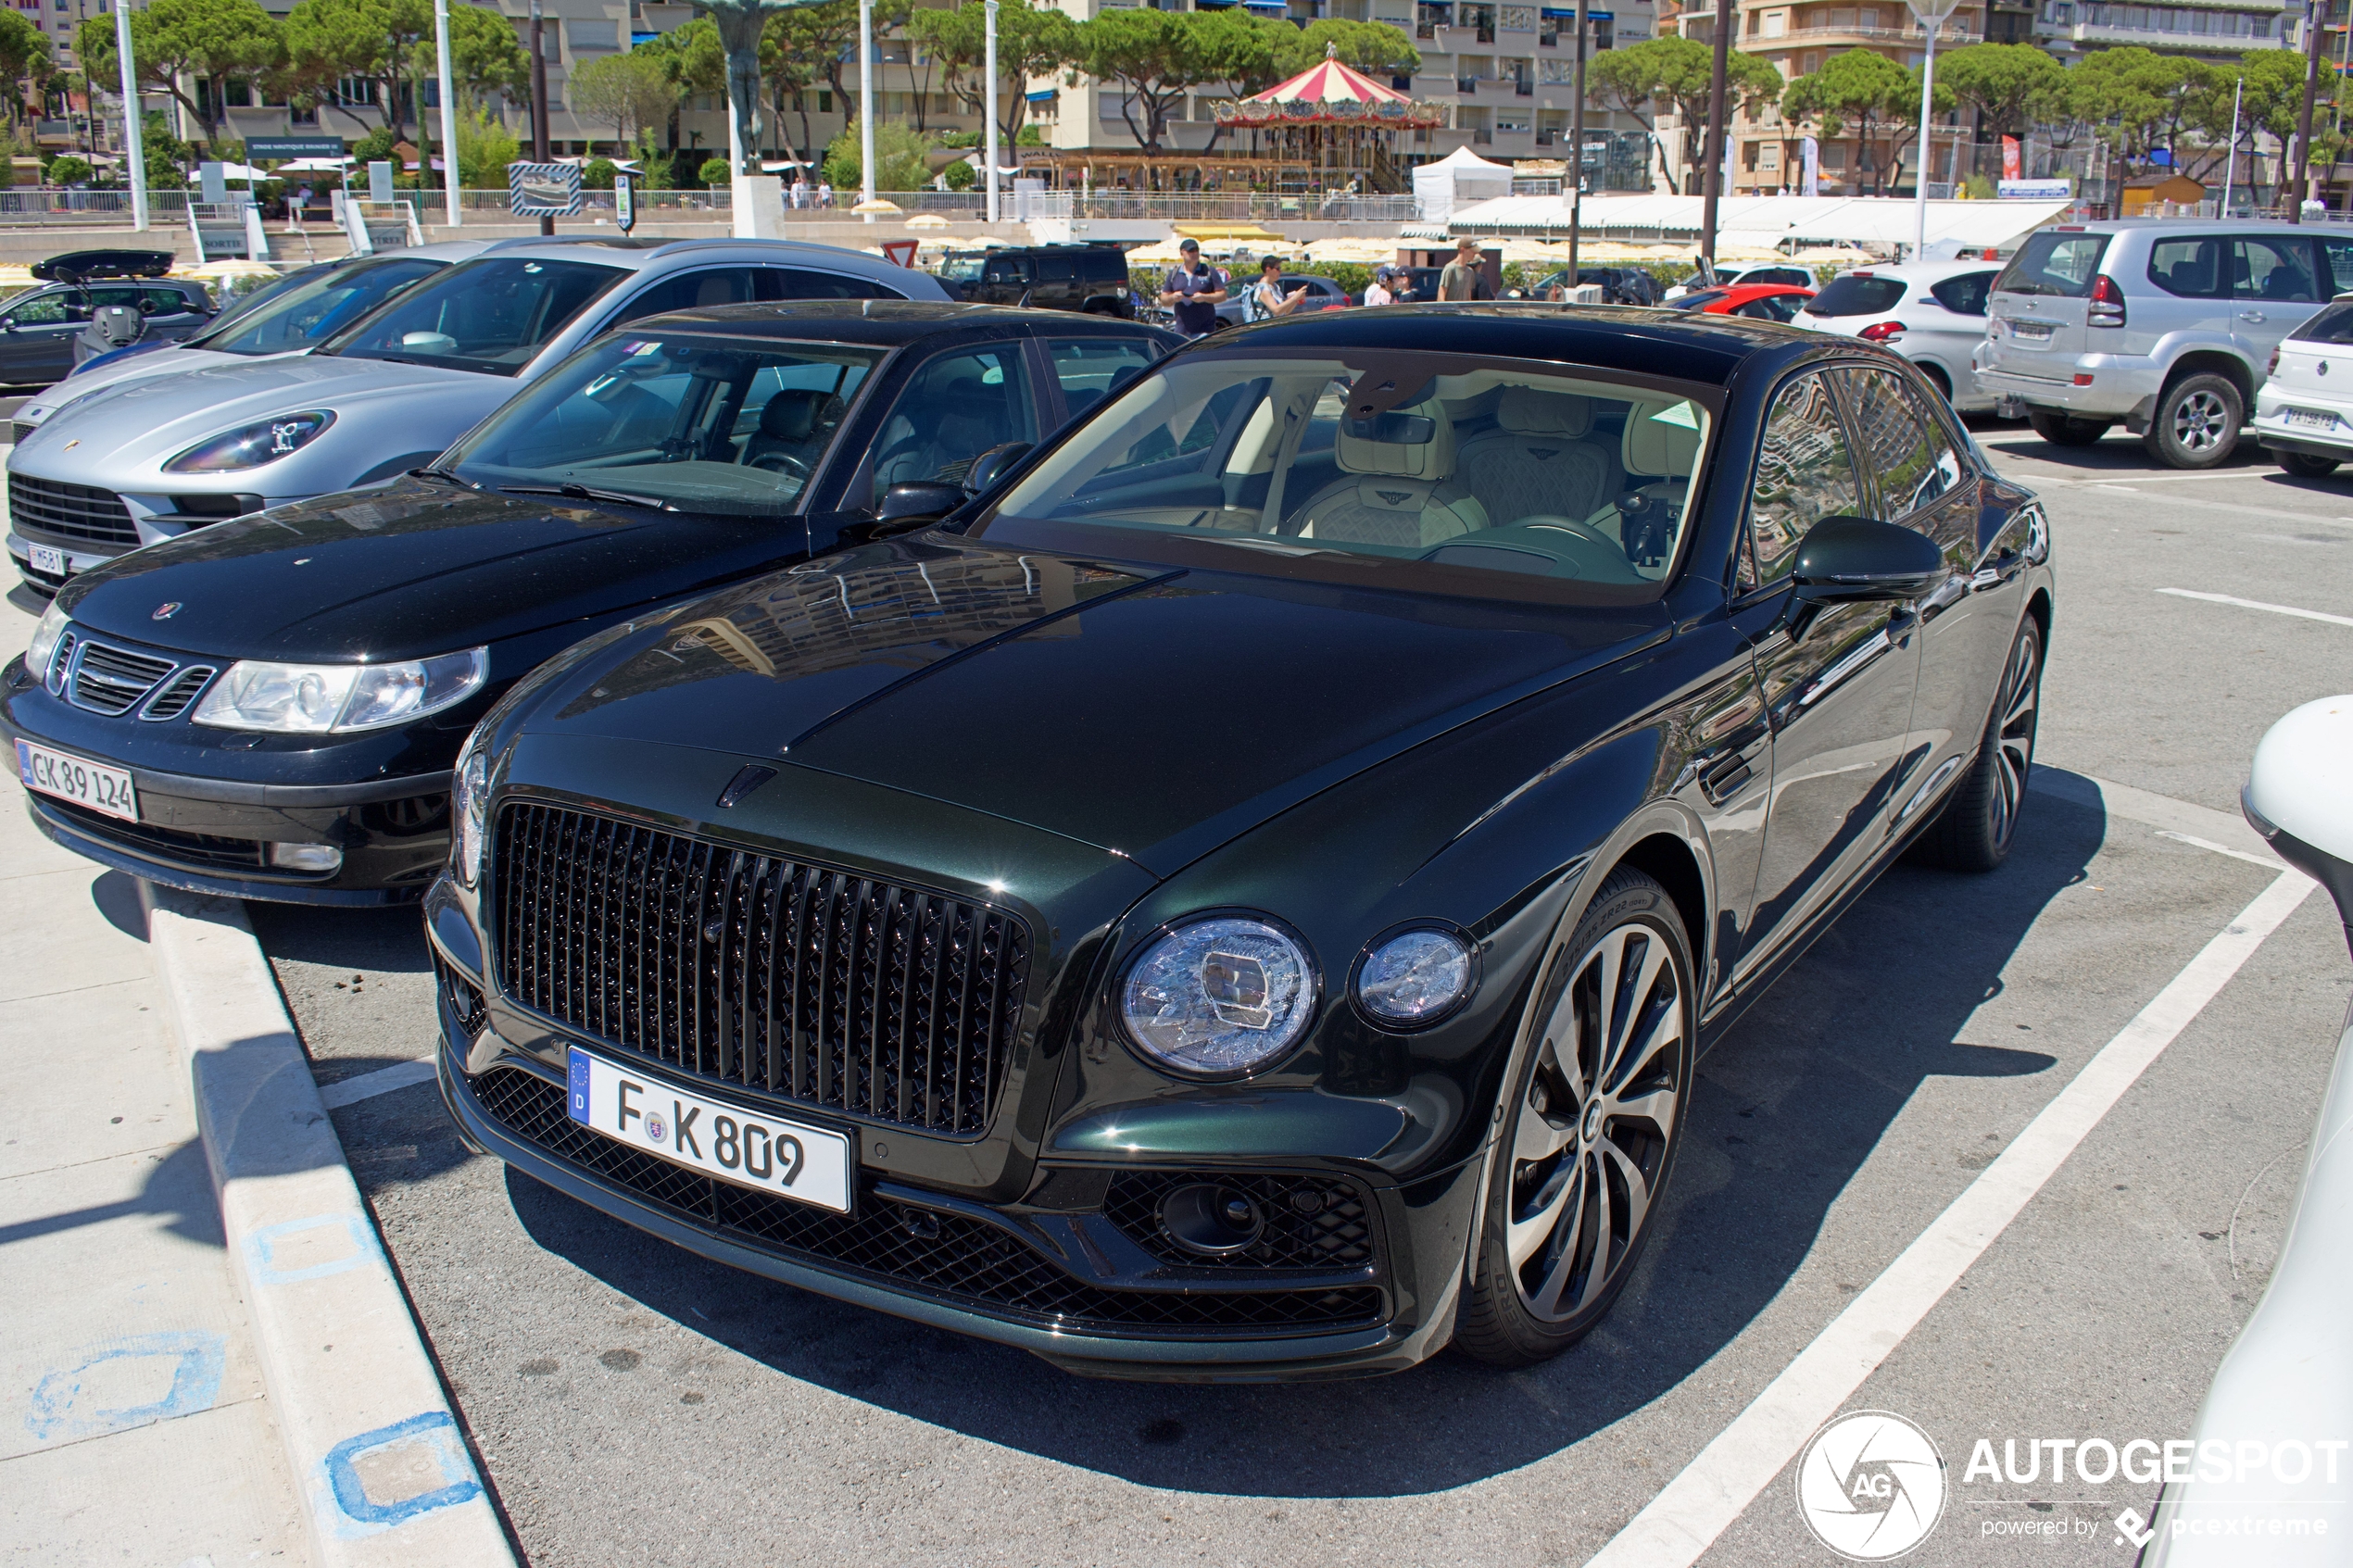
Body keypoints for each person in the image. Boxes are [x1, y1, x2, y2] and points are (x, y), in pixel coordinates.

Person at [1158, 237, 1228, 337]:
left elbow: (1223, 295)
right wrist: (1173, 297)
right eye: (1191, 250)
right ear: (1182, 253)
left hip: (1205, 331)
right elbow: (1164, 299)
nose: (1195, 253)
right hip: (1181, 332)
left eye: (1197, 250)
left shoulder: (1208, 271)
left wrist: (1204, 297)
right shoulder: (1174, 274)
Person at [1248, 255, 1308, 322]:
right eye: (1277, 269)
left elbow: (1285, 311)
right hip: (1267, 328)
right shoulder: (1262, 289)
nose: (1280, 271)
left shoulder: (1275, 287)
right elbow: (1276, 310)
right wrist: (1294, 298)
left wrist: (1296, 300)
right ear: (1268, 269)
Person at [1437, 235, 1493, 301]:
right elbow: (1441, 295)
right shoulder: (1450, 268)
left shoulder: (1470, 272)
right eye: (1473, 250)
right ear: (1462, 250)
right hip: (1451, 311)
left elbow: (1468, 297)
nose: (1475, 253)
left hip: (1464, 311)